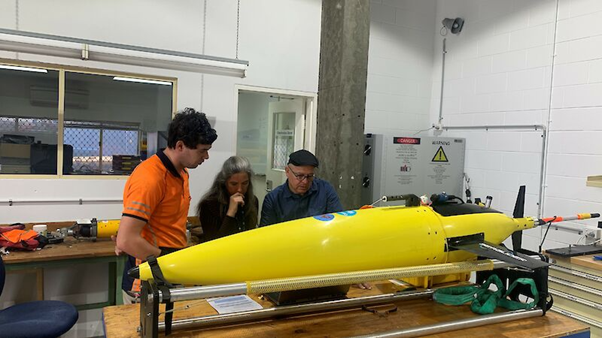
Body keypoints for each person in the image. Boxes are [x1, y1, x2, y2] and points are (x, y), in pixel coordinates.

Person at [114, 107, 217, 303]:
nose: (206, 157)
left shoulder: (181, 172)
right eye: (202, 151)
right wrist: (164, 259)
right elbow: (125, 241)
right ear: (180, 146)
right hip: (148, 279)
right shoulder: (150, 178)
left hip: (169, 267)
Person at [259, 149, 343, 227]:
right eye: (299, 176)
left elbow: (337, 223)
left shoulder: (325, 190)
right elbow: (266, 234)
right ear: (287, 171)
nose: (305, 182)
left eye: (310, 176)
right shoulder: (273, 199)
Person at [196, 156, 259, 241]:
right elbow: (214, 243)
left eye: (245, 183)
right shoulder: (209, 204)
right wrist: (230, 213)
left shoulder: (252, 201)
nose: (239, 189)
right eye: (234, 184)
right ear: (224, 183)